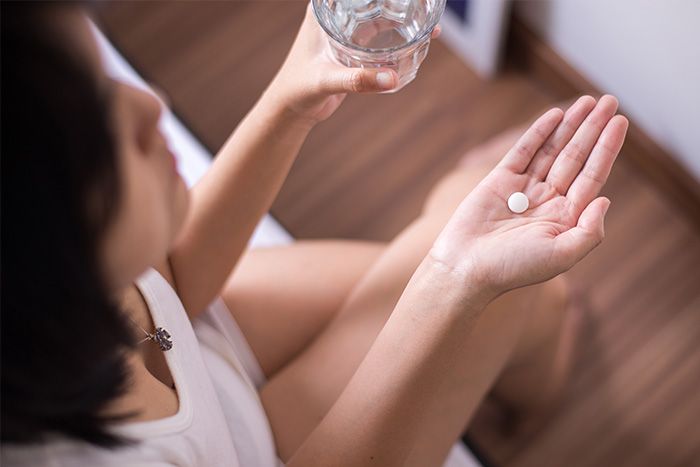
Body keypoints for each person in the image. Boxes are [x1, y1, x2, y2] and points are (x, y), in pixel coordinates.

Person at [1, 1, 628, 466]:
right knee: (519, 289)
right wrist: (454, 280)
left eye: (105, 77)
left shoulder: (52, 297)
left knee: (477, 236)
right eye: (100, 141)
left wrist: (291, 97)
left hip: (197, 351)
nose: (151, 105)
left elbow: (172, 276)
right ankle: (536, 400)